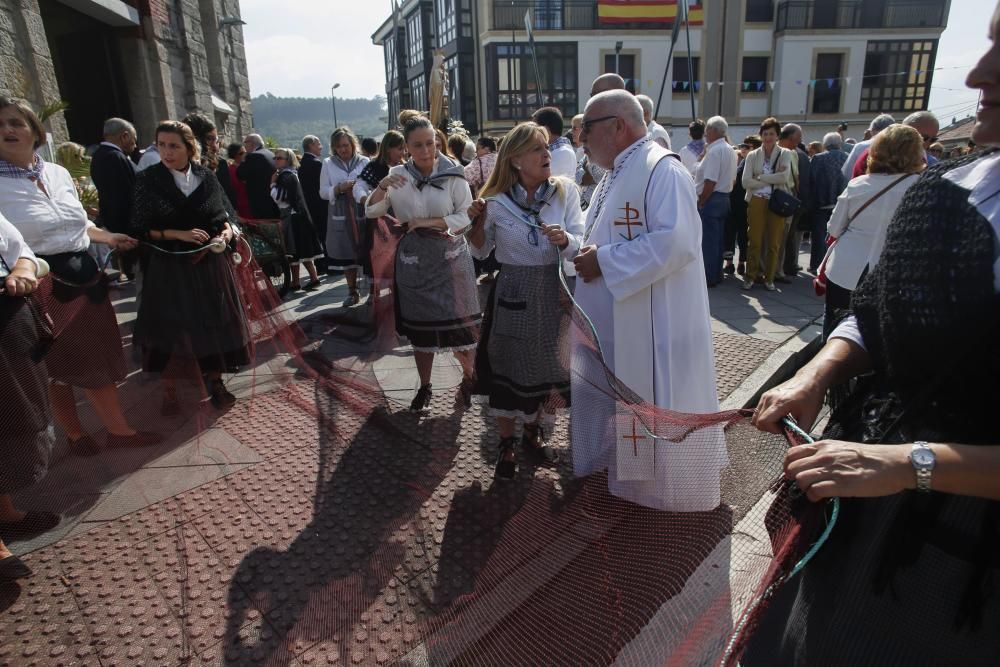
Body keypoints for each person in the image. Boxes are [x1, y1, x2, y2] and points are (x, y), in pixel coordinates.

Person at [744, 9, 1000, 660]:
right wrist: (816, 373)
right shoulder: (960, 184)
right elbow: (877, 308)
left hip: (959, 555)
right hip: (872, 496)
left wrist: (905, 462)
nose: (977, 72)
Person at [571, 90, 722, 511]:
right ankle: (633, 478)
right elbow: (597, 236)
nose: (581, 138)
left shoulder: (661, 170)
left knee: (653, 397)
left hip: (655, 324)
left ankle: (664, 489)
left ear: (618, 126)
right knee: (629, 399)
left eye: (588, 128)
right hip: (623, 319)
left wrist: (604, 261)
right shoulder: (618, 171)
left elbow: (678, 243)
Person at [0, 96, 160, 455]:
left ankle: (117, 430)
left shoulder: (56, 173)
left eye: (15, 122)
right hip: (34, 283)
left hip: (84, 277)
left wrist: (108, 236)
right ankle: (78, 435)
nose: (8, 130)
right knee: (55, 365)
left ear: (34, 131)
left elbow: (80, 224)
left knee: (95, 358)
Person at [465, 122, 584, 479]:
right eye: (536, 149)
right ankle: (506, 443)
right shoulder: (496, 203)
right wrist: (475, 223)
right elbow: (480, 249)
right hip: (513, 289)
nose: (546, 154)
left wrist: (565, 240)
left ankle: (534, 431)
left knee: (550, 366)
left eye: (546, 147)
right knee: (508, 364)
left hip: (554, 290)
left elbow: (581, 236)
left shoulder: (565, 192)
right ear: (515, 160)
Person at [131, 120, 251, 413]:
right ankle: (170, 391)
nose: (167, 152)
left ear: (189, 147)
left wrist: (226, 232)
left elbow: (226, 215)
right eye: (161, 145)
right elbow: (139, 228)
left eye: (174, 145)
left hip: (209, 262)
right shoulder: (148, 179)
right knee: (172, 325)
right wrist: (177, 234)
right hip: (169, 266)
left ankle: (216, 381)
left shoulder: (206, 177)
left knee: (213, 320)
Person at [365, 116, 478, 412]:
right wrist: (381, 185)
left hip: (451, 258)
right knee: (421, 330)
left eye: (431, 143)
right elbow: (372, 210)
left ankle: (470, 378)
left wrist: (427, 221)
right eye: (418, 145)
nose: (427, 150)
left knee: (461, 329)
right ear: (407, 147)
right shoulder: (397, 175)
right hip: (414, 262)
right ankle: (425, 386)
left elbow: (466, 216)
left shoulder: (454, 174)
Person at [820, 125, 923, 338]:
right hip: (893, 274)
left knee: (835, 329)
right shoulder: (922, 187)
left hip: (845, 268)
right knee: (879, 335)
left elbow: (834, 228)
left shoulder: (858, 185)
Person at [0, 214, 59, 582]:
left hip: (6, 316)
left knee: (13, 417)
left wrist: (21, 269)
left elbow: (19, 249)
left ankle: (6, 511)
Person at [741, 117, 795, 291]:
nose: (768, 137)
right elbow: (745, 182)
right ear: (761, 135)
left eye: (771, 134)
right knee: (754, 241)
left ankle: (769, 278)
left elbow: (784, 177)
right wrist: (770, 179)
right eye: (765, 134)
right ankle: (750, 276)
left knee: (774, 243)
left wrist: (761, 177)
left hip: (776, 202)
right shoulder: (752, 155)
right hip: (756, 200)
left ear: (777, 135)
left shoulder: (785, 154)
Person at [320, 127, 370, 306]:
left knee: (367, 252)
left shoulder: (364, 161)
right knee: (347, 254)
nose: (343, 149)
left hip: (362, 210)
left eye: (345, 145)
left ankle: (371, 291)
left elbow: (371, 184)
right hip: (340, 211)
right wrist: (338, 188)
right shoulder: (328, 163)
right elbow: (323, 192)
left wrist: (361, 191)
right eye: (338, 146)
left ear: (352, 144)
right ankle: (352, 292)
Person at [90, 118, 138, 281]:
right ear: (124, 136)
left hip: (116, 222)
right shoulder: (114, 157)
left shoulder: (101, 155)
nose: (135, 144)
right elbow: (123, 196)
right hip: (125, 227)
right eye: (134, 138)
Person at [271, 148, 323, 293]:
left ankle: (307, 279)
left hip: (292, 217)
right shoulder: (291, 174)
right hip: (297, 216)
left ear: (287, 160)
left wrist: (272, 184)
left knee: (294, 250)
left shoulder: (285, 176)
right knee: (299, 251)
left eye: (279, 158)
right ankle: (301, 280)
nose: (275, 160)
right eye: (275, 158)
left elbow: (279, 197)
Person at [695, 116, 738, 287]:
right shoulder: (729, 149)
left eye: (707, 130)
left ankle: (708, 276)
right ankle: (717, 273)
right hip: (724, 197)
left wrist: (702, 200)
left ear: (713, 131)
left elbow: (710, 181)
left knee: (708, 240)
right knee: (718, 239)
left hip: (712, 198)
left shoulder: (714, 151)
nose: (705, 134)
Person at [850, 111, 941, 178]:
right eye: (923, 137)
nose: (927, 143)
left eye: (933, 139)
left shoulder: (931, 163)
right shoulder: (872, 155)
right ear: (903, 129)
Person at [808, 132, 849, 272]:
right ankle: (833, 266)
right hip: (841, 202)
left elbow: (811, 180)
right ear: (839, 143)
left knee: (819, 235)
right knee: (838, 235)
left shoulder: (818, 158)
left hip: (821, 202)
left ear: (825, 144)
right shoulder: (848, 158)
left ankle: (816, 265)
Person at [182, 113, 238, 215]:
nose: (215, 147)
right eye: (209, 139)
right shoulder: (176, 166)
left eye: (215, 140)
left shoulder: (220, 164)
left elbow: (226, 200)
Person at [777, 123, 812, 281]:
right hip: (788, 200)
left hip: (790, 200)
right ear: (790, 137)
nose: (800, 140)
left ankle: (783, 268)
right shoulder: (792, 154)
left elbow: (800, 180)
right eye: (798, 137)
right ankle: (786, 267)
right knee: (785, 237)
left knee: (786, 237)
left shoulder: (796, 154)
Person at [723, 134, 761, 277]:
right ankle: (735, 263)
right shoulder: (744, 160)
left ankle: (734, 263)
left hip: (739, 202)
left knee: (734, 234)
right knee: (740, 235)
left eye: (747, 146)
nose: (743, 149)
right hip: (742, 203)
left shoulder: (748, 162)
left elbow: (736, 180)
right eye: (742, 146)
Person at [297, 135, 328, 270]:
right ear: (311, 145)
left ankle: (319, 264)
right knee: (325, 234)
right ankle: (327, 263)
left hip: (308, 205)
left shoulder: (301, 164)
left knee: (316, 235)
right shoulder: (317, 164)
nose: (321, 146)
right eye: (319, 143)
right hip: (320, 204)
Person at [237, 133, 280, 219]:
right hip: (273, 200)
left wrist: (244, 158)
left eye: (245, 142)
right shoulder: (270, 153)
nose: (244, 145)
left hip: (260, 203)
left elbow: (240, 174)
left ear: (252, 143)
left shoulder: (253, 156)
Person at [841, 113, 896, 180]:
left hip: (862, 186)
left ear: (872, 130)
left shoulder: (861, 147)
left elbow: (847, 172)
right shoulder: (900, 147)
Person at [531, 107, 576, 179]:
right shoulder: (556, 150)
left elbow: (539, 179)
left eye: (535, 128)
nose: (532, 133)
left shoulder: (563, 152)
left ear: (545, 130)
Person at [226, 142, 252, 219]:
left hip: (249, 202)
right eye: (241, 153)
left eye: (245, 152)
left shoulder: (245, 167)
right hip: (241, 204)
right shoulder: (231, 170)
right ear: (235, 155)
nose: (244, 155)